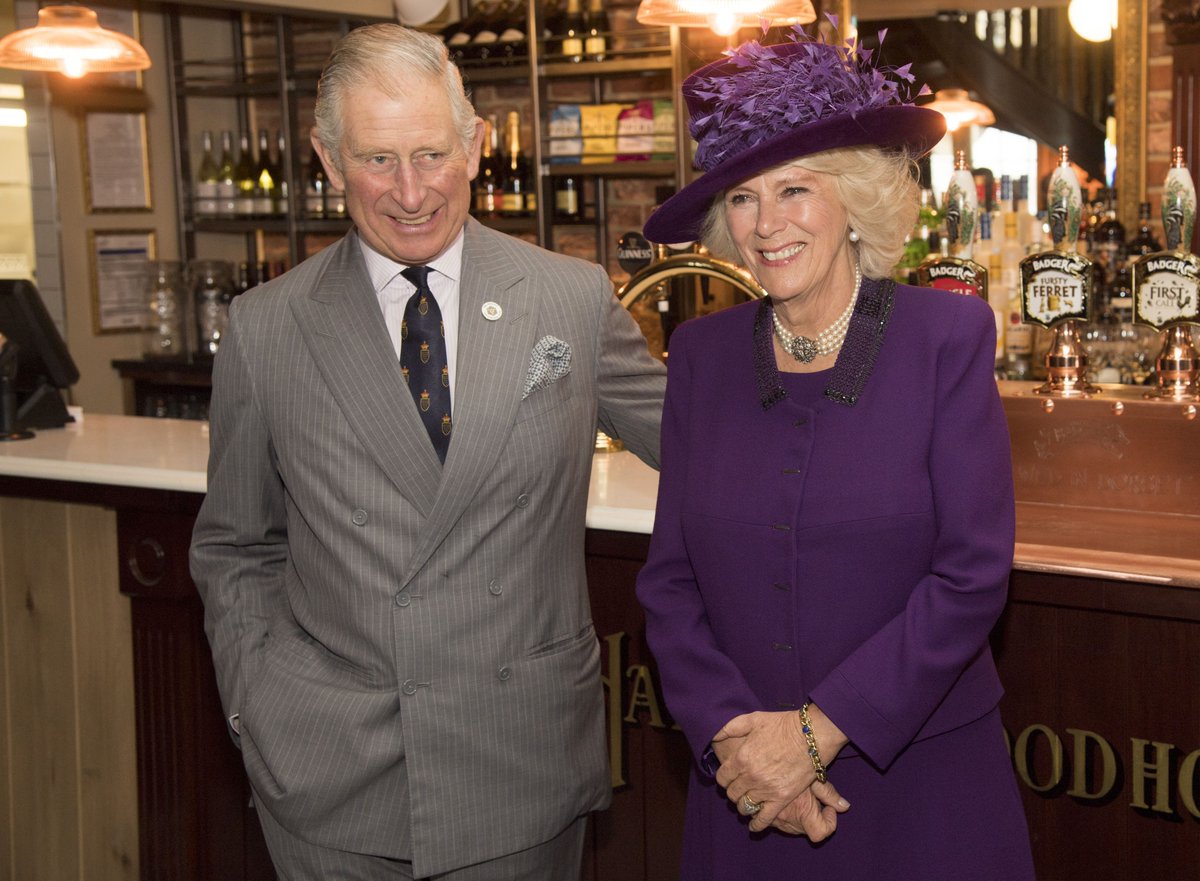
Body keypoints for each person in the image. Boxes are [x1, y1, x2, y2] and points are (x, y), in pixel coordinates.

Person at [189, 23, 665, 881]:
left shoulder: (569, 297)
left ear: (474, 146)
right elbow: (236, 544)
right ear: (329, 160)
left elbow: (704, 447)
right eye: (378, 160)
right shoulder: (266, 328)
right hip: (330, 774)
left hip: (517, 761)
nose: (411, 193)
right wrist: (256, 705)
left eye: (431, 155)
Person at [635, 26, 1036, 880]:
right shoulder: (701, 357)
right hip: (746, 789)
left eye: (795, 189)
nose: (766, 224)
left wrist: (812, 736)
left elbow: (971, 574)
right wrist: (738, 742)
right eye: (742, 198)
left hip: (920, 788)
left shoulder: (946, 338)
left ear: (854, 199)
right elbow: (669, 581)